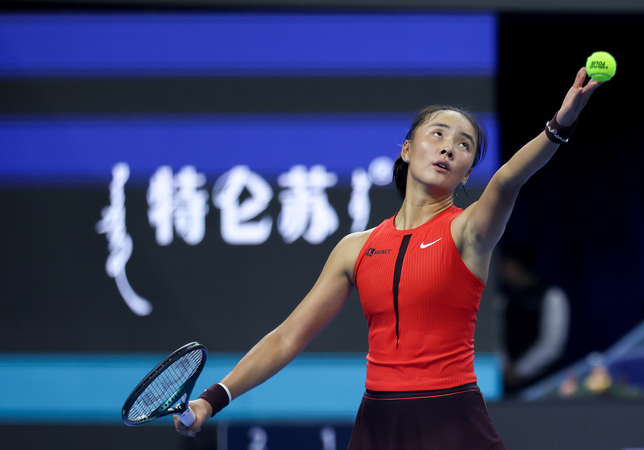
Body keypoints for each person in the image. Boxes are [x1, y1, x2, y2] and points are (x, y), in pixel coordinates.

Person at [174, 68, 602, 449]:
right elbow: (289, 337)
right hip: (377, 423)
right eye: (437, 134)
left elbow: (508, 180)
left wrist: (559, 125)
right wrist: (211, 400)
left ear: (468, 173)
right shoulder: (355, 248)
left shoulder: (469, 231)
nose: (449, 147)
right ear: (406, 149)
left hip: (451, 418)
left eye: (464, 144)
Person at [494, 245, 570, 396]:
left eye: (505, 265)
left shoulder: (551, 296)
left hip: (545, 385)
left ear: (518, 266)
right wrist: (505, 368)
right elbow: (495, 337)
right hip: (506, 385)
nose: (500, 271)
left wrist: (520, 371)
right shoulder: (503, 300)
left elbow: (552, 344)